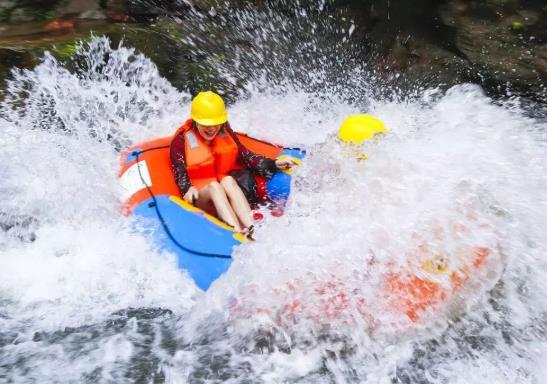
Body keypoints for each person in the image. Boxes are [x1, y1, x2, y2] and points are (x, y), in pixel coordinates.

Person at [170, 91, 295, 236]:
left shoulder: (225, 131)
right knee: (214, 187)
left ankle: (252, 228)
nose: (211, 128)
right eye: (206, 124)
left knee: (228, 180)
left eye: (216, 123)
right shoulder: (180, 141)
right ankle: (236, 232)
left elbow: (245, 155)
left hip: (224, 195)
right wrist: (187, 189)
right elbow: (179, 172)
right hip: (201, 197)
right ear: (196, 120)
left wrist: (273, 164)